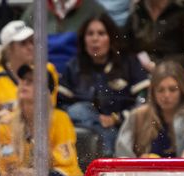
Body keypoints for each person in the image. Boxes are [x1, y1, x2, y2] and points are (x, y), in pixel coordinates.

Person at [60, 13, 149, 156]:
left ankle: (108, 158)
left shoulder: (128, 63)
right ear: (84, 40)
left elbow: (144, 99)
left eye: (101, 33)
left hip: (122, 128)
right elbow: (59, 105)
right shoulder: (73, 67)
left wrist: (117, 118)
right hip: (83, 129)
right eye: (90, 34)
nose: (95, 39)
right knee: (79, 110)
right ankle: (107, 158)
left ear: (111, 38)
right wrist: (92, 118)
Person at [0, 63, 81, 176]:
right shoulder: (7, 123)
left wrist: (33, 174)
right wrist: (11, 174)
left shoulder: (60, 119)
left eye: (32, 81)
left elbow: (66, 173)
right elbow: (4, 167)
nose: (24, 83)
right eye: (23, 79)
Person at [114, 60, 184, 158]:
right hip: (143, 173)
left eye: (173, 89)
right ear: (152, 92)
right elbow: (122, 156)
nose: (166, 95)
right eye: (160, 90)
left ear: (182, 90)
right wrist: (138, 164)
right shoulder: (138, 116)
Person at [123, 0, 184, 72]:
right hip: (141, 75)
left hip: (176, 74)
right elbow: (125, 48)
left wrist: (161, 66)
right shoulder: (137, 11)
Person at [0, 20, 35, 115]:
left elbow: (48, 111)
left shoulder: (43, 73)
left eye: (31, 41)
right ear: (9, 48)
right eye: (23, 43)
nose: (30, 47)